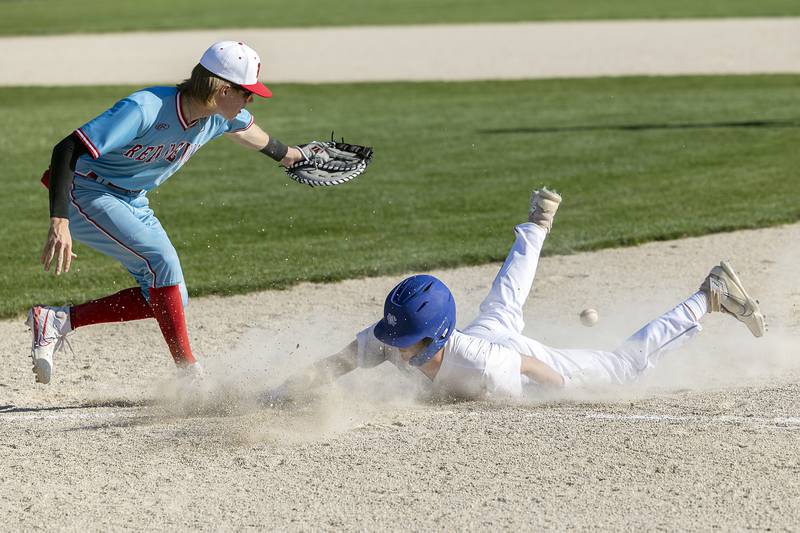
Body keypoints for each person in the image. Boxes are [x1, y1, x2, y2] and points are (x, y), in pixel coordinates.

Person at [263, 188, 766, 402]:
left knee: (621, 369)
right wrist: (281, 394)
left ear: (437, 338)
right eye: (396, 338)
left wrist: (574, 394)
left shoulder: (483, 365)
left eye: (410, 342)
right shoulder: (391, 336)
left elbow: (534, 372)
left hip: (515, 354)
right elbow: (337, 363)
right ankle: (536, 224)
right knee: (504, 302)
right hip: (487, 336)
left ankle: (710, 295)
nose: (398, 349)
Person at [27, 41, 309, 384]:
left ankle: (57, 320)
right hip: (85, 190)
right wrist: (60, 220)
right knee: (162, 263)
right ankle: (190, 375)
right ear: (221, 89)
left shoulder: (217, 117)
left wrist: (290, 155)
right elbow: (67, 148)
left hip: (132, 199)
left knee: (169, 294)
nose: (249, 100)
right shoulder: (146, 107)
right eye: (246, 92)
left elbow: (250, 131)